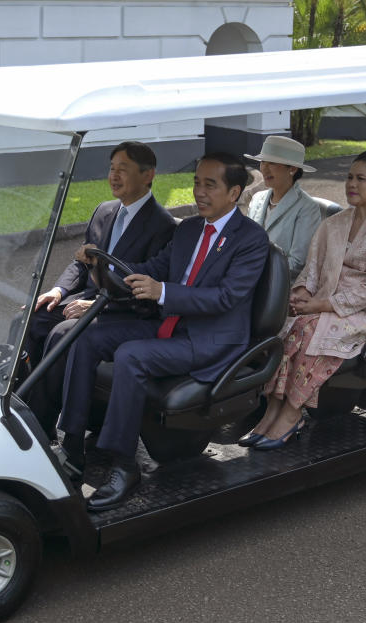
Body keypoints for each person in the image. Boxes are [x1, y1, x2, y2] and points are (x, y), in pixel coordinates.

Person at [57, 152, 270, 510]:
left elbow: (225, 297)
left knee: (130, 355)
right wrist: (103, 262)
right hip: (169, 326)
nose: (199, 192)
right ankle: (72, 445)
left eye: (210, 185)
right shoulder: (187, 230)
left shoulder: (250, 239)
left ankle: (124, 465)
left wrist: (163, 291)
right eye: (196, 183)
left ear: (234, 193)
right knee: (85, 334)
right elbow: (151, 267)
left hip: (211, 339)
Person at [239, 150, 366, 449]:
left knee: (309, 332)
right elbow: (312, 269)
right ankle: (271, 411)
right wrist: (301, 295)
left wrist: (322, 305)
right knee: (288, 330)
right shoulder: (333, 224)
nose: (352, 184)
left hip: (365, 312)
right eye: (349, 177)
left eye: (361, 179)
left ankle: (292, 412)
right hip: (323, 302)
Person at [23, 142, 176, 438]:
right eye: (111, 168)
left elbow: (140, 286)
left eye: (123, 170)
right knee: (33, 316)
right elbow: (81, 262)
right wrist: (57, 290)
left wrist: (95, 305)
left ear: (148, 176)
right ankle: (21, 405)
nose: (114, 176)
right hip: (85, 300)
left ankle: (41, 425)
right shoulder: (104, 211)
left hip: (123, 310)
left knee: (62, 333)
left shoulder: (163, 226)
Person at [244, 136, 323, 280]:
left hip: (279, 288)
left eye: (272, 163)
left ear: (292, 169)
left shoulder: (307, 208)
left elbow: (297, 263)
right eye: (263, 162)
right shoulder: (257, 199)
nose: (264, 168)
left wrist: (255, 270)